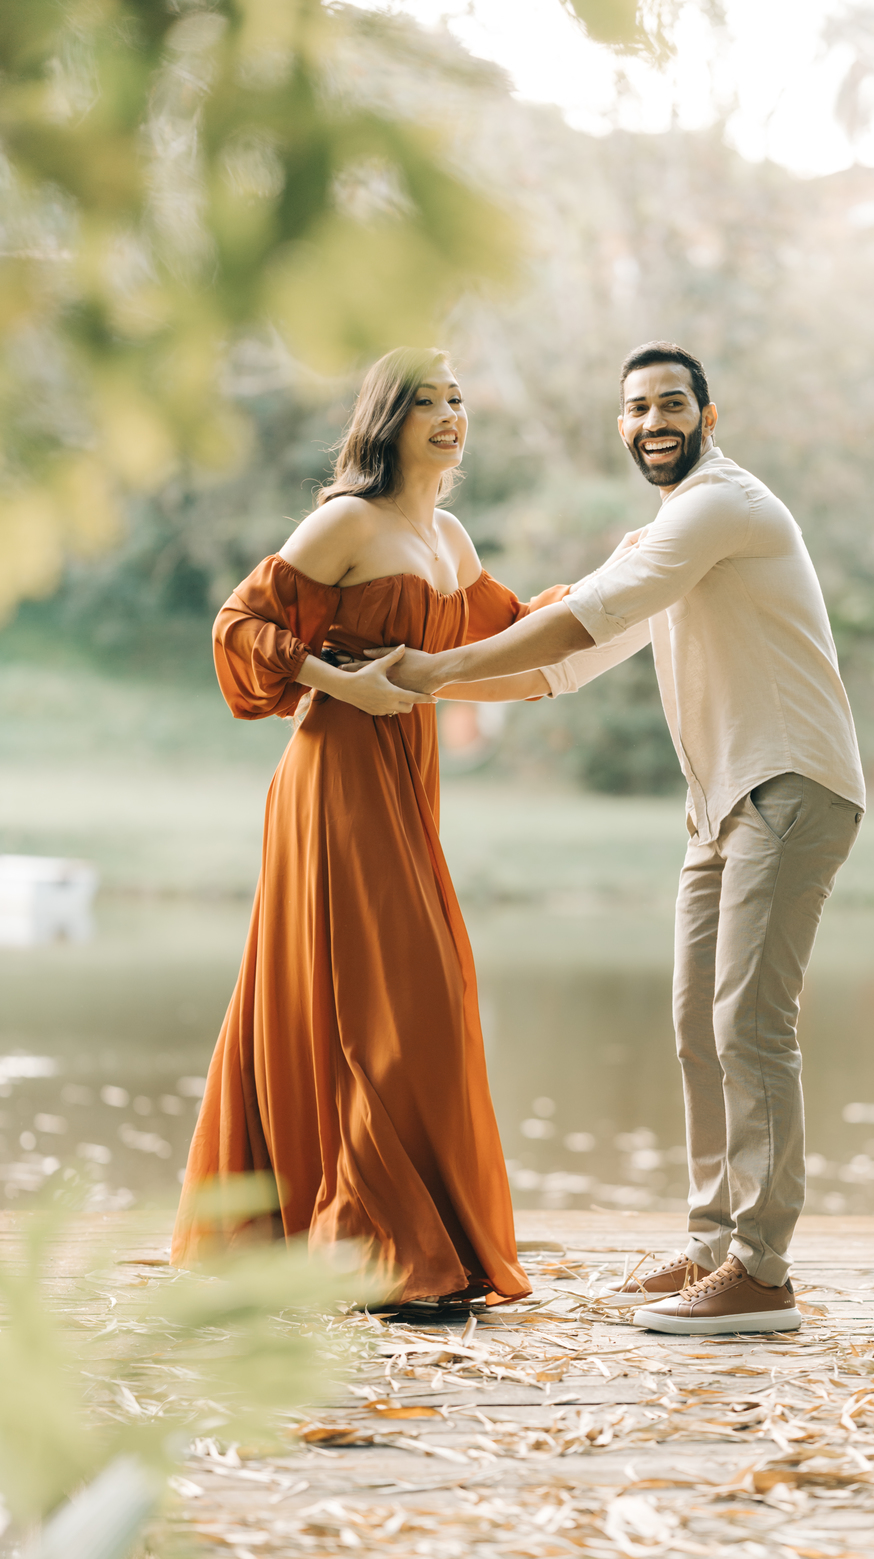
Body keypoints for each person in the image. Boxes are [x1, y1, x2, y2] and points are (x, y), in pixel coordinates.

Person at [381, 341, 865, 1335]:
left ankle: (763, 1270)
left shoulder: (720, 508)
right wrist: (407, 686)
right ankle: (716, 1243)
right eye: (639, 408)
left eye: (674, 404)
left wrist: (432, 671)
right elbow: (568, 657)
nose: (656, 421)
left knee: (749, 1025)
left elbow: (580, 620)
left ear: (709, 416)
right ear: (622, 426)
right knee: (698, 1025)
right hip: (719, 804)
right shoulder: (665, 535)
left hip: (790, 786)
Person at [171, 347, 558, 1321]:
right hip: (335, 773)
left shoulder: (452, 538)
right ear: (384, 420)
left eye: (459, 399)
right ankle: (375, 1249)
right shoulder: (348, 521)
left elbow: (505, 642)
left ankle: (386, 1236)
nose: (447, 415)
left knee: (419, 990)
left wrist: (627, 587)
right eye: (424, 401)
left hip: (405, 780)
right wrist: (347, 681)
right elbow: (240, 626)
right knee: (383, 996)